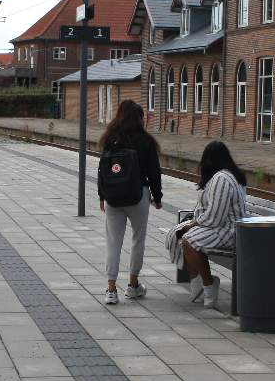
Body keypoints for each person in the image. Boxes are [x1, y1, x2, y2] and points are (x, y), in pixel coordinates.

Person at [98, 99, 163, 306]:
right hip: (139, 196)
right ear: (139, 119)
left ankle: (110, 289)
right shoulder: (146, 141)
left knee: (113, 241)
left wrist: (102, 195)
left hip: (113, 198)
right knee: (138, 239)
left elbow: (102, 169)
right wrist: (158, 197)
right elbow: (154, 172)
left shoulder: (109, 138)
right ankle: (133, 285)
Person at [176, 140, 248, 308]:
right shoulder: (229, 175)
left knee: (188, 240)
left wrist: (194, 224)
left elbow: (216, 217)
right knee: (179, 235)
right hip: (226, 227)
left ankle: (208, 285)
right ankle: (198, 281)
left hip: (229, 231)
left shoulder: (222, 179)